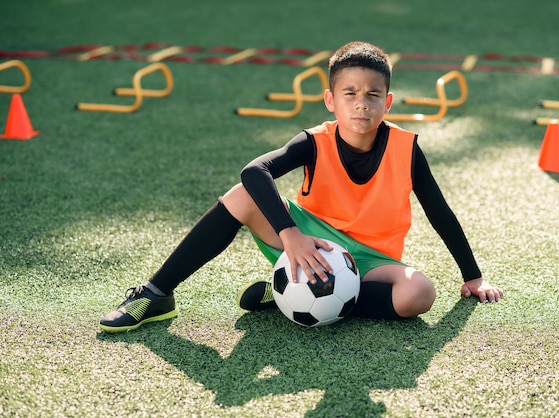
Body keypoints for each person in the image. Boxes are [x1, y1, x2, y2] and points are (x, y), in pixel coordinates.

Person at [99, 41, 503, 333]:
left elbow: (439, 210)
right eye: (350, 94)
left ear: (388, 102)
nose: (361, 104)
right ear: (331, 99)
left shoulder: (406, 147)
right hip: (310, 243)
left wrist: (473, 275)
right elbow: (254, 171)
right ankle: (157, 293)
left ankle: (288, 296)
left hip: (372, 259)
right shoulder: (314, 140)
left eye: (373, 95)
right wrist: (291, 236)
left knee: (420, 294)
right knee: (242, 196)